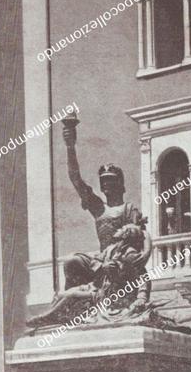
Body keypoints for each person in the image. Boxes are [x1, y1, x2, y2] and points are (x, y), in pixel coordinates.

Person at [62, 119, 152, 289]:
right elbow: (75, 178)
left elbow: (142, 233)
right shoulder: (98, 208)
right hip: (101, 258)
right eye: (103, 181)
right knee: (71, 262)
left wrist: (147, 252)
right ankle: (74, 304)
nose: (106, 184)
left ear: (120, 184)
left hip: (120, 258)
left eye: (111, 180)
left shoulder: (127, 208)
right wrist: (70, 147)